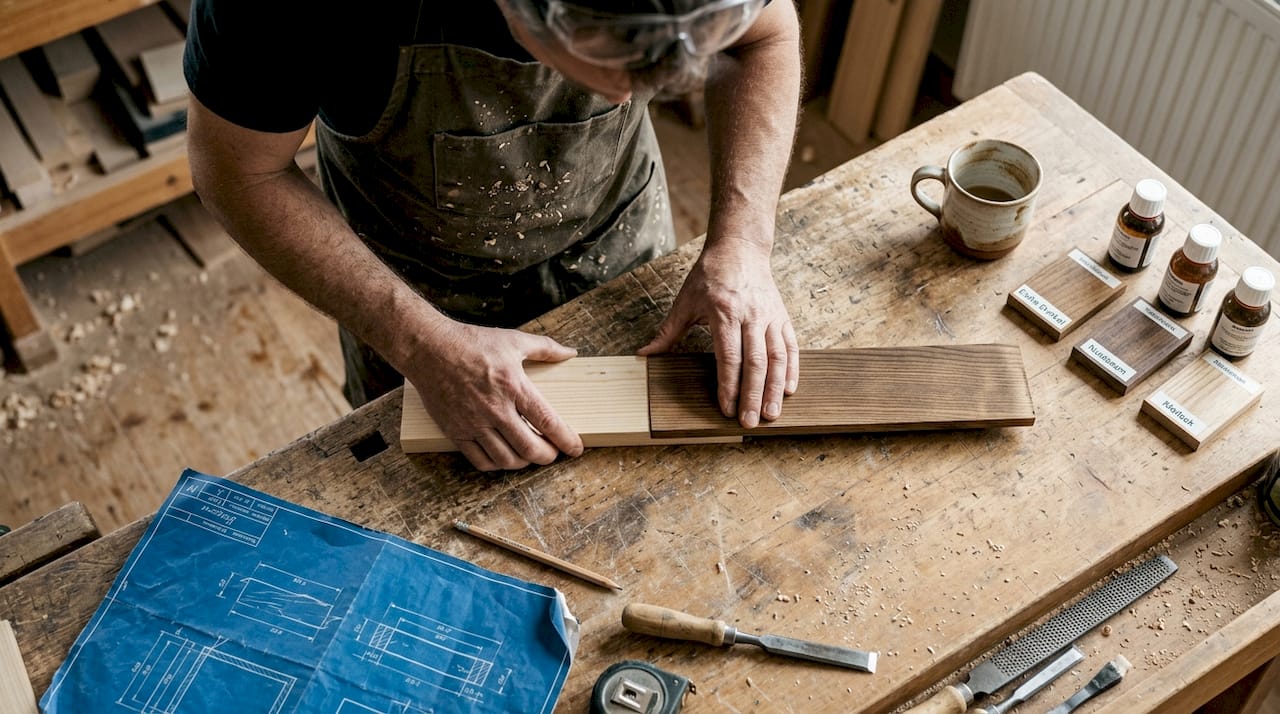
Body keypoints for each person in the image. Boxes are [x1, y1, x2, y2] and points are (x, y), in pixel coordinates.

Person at [183, 0, 802, 471]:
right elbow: (238, 173)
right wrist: (422, 346)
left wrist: (742, 244)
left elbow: (764, 36)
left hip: (616, 233)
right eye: (611, 63)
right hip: (413, 286)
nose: (628, 95)